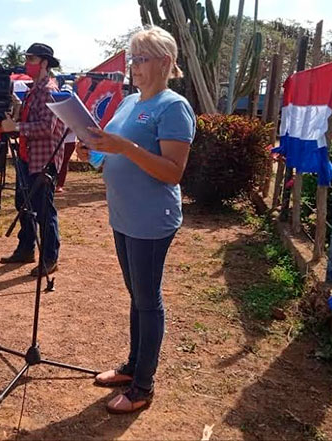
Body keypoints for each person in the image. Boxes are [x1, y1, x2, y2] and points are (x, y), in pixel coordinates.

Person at [76, 27, 195, 414]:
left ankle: (143, 387)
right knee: (137, 296)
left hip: (151, 218)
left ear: (165, 62)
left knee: (147, 299)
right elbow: (109, 152)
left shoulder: (173, 106)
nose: (134, 67)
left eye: (141, 59)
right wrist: (90, 152)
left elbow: (173, 171)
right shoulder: (128, 102)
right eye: (132, 59)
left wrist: (125, 147)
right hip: (124, 214)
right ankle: (132, 366)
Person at [0, 43, 65, 276]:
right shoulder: (31, 90)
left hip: (43, 159)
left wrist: (16, 126)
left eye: (33, 59)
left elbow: (48, 127)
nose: (28, 63)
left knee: (44, 210)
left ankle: (50, 257)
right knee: (23, 204)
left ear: (45, 63)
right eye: (27, 58)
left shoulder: (48, 90)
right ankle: (26, 247)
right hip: (28, 156)